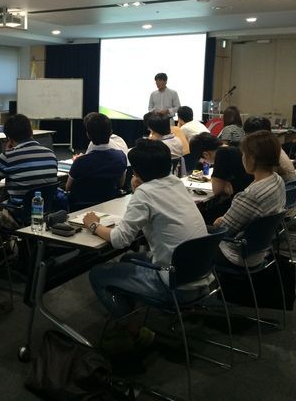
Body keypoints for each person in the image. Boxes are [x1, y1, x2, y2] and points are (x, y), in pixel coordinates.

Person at [85, 139, 208, 325]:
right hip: (200, 277)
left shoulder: (145, 193)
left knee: (97, 273)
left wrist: (94, 225)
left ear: (135, 172)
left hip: (175, 286)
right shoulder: (176, 183)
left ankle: (132, 328)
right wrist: (139, 189)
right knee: (128, 259)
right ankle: (133, 308)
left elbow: (120, 240)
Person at [213, 131, 286, 268]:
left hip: (235, 255)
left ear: (252, 158)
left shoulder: (251, 196)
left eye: (244, 154)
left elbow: (224, 230)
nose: (242, 158)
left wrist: (219, 221)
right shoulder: (277, 180)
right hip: (258, 251)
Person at [0, 113, 57, 205]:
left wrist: (7, 154)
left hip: (18, 211)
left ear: (9, 139)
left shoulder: (8, 157)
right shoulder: (51, 154)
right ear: (31, 132)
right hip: (47, 209)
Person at [189, 133, 253, 222]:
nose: (205, 163)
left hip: (241, 207)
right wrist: (225, 182)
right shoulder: (233, 146)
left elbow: (217, 190)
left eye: (204, 160)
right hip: (248, 202)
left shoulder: (222, 153)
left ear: (206, 154)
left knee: (201, 216)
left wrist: (221, 182)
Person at [66, 112, 126, 193]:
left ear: (88, 135)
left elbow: (68, 188)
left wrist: (79, 161)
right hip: (109, 199)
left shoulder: (80, 162)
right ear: (111, 132)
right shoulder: (121, 157)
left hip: (83, 200)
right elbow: (121, 184)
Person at [243, 116, 295, 181]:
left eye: (247, 135)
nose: (245, 138)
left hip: (283, 185)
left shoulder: (267, 152)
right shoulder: (273, 146)